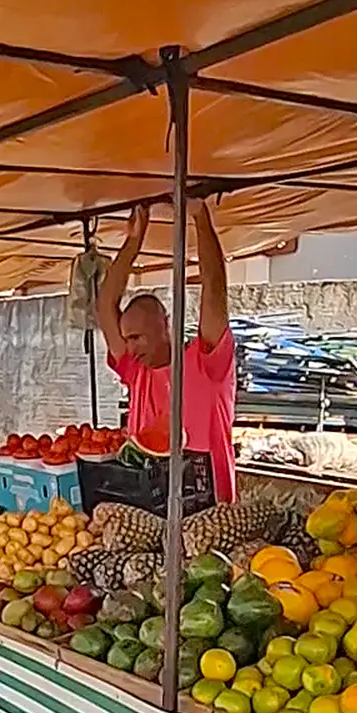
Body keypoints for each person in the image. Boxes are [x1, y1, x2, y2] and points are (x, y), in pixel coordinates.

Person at [96, 200, 237, 503]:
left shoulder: (207, 363)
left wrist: (200, 217)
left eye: (137, 338)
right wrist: (134, 241)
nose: (129, 349)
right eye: (126, 339)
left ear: (166, 326)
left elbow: (214, 288)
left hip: (208, 506)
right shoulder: (136, 371)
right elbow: (105, 308)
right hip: (146, 503)